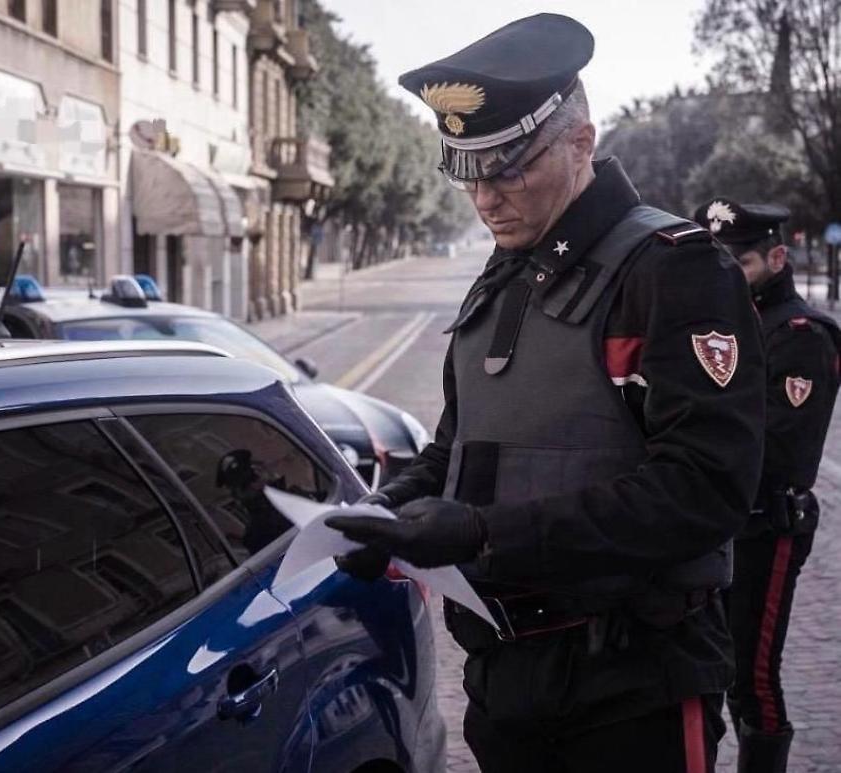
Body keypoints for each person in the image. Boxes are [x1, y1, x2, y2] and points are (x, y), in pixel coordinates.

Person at [323, 13, 766, 773]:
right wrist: (386, 513)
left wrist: (483, 535)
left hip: (631, 686)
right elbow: (458, 450)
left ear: (581, 143)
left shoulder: (672, 272)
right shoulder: (505, 273)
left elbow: (705, 488)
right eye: (468, 174)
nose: (486, 199)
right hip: (508, 682)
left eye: (510, 169)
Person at [693, 199, 841, 773]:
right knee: (704, 665)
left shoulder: (802, 335)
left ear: (778, 257)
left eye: (744, 261)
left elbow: (781, 450)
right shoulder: (722, 323)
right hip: (715, 525)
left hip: (766, 525)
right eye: (721, 260)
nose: (729, 272)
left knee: (752, 677)